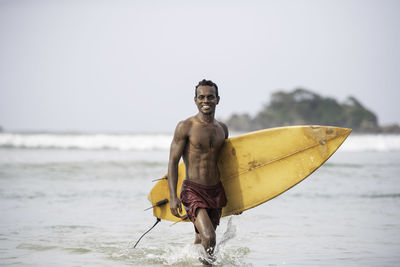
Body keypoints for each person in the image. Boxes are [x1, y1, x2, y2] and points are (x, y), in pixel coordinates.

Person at [168, 79, 228, 263]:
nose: (206, 101)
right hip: (193, 190)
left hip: (215, 191)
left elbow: (226, 164)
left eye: (210, 97)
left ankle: (180, 262)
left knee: (201, 240)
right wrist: (173, 196)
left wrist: (242, 199)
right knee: (209, 237)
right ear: (195, 100)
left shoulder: (222, 129)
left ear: (218, 99)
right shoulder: (186, 126)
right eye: (201, 97)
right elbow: (172, 161)